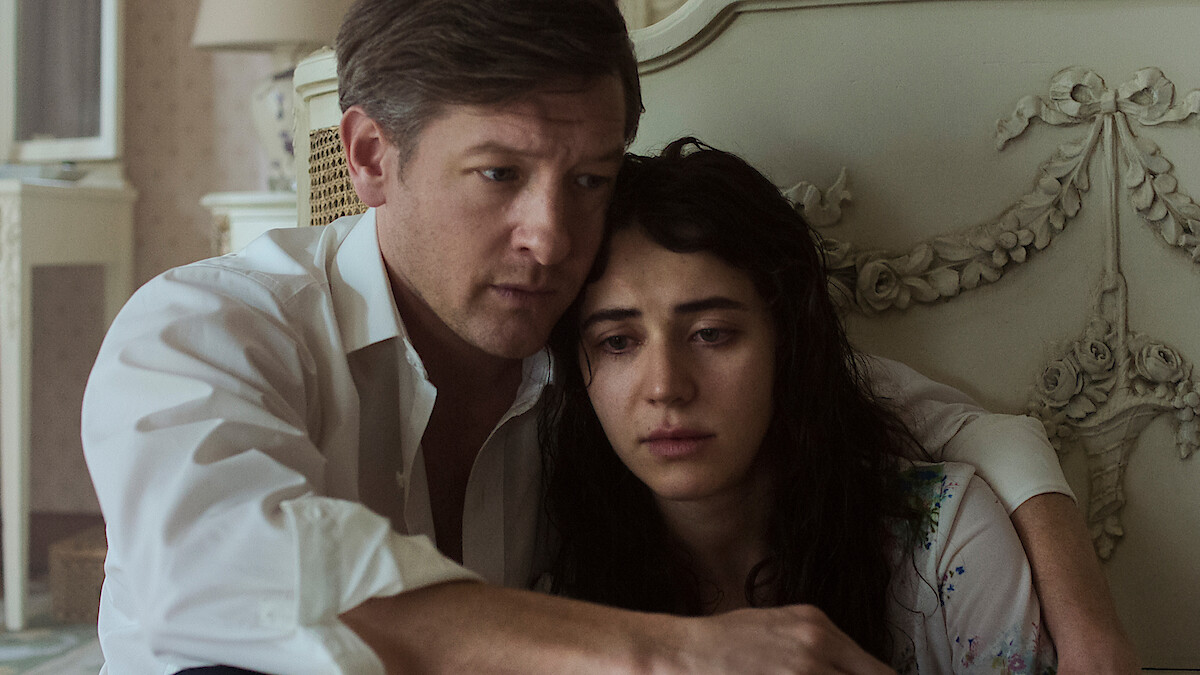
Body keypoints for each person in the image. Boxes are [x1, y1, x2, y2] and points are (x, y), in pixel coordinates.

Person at [80, 0, 1135, 672]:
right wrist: (673, 654)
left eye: (588, 179)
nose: (551, 237)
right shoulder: (207, 327)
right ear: (368, 155)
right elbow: (219, 563)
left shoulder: (583, 337)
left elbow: (868, 399)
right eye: (499, 173)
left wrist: (1084, 617)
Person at [541, 137, 1057, 673]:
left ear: (786, 342)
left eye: (711, 333)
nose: (665, 386)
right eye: (617, 342)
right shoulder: (549, 592)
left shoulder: (944, 540)